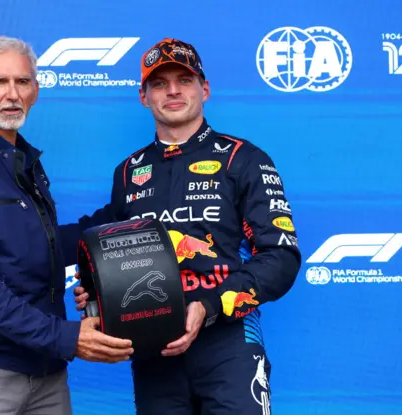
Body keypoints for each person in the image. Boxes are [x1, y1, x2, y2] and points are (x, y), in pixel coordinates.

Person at [72, 38, 301, 414]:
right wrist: (95, 293)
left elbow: (281, 258)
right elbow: (118, 258)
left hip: (229, 340)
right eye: (159, 83)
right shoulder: (128, 172)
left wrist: (207, 306)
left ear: (205, 89)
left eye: (184, 79)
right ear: (143, 96)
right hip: (154, 351)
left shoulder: (244, 159)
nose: (173, 90)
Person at [0, 35, 133, 415]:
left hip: (44, 371)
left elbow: (39, 247)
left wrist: (125, 211)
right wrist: (66, 337)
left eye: (22, 82)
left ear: (35, 90)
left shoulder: (24, 164)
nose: (12, 93)